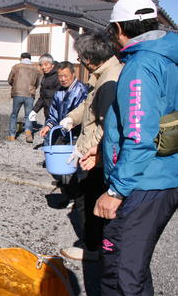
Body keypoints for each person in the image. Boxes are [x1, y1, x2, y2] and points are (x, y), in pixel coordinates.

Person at [81, 0, 178, 296]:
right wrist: (104, 150)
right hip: (165, 173)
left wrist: (115, 191)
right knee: (135, 266)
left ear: (120, 28)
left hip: (142, 182)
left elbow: (138, 134)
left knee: (120, 271)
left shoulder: (141, 66)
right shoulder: (168, 57)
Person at [58, 32, 122, 262]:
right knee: (88, 195)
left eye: (81, 57)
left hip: (96, 154)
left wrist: (86, 149)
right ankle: (97, 242)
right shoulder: (103, 74)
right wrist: (71, 119)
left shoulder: (109, 82)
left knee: (91, 199)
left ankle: (93, 247)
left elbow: (107, 126)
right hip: (93, 149)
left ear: (89, 58)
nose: (80, 60)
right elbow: (88, 106)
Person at [39, 61, 88, 143]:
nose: (63, 79)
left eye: (65, 76)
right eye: (60, 76)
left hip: (76, 135)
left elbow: (83, 115)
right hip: (62, 132)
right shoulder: (59, 91)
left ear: (73, 74)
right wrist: (48, 126)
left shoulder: (81, 90)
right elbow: (53, 114)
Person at [6, 52, 41, 143]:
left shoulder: (16, 67)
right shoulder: (35, 69)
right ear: (30, 59)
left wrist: (14, 86)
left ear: (21, 58)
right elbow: (37, 83)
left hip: (17, 93)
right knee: (28, 115)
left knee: (14, 115)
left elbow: (9, 80)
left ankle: (12, 136)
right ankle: (28, 133)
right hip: (30, 94)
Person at [29, 53, 61, 124]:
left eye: (46, 64)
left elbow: (61, 95)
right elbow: (42, 97)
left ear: (52, 65)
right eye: (41, 65)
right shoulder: (45, 77)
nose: (43, 67)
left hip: (58, 114)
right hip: (48, 114)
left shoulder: (59, 76)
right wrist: (34, 110)